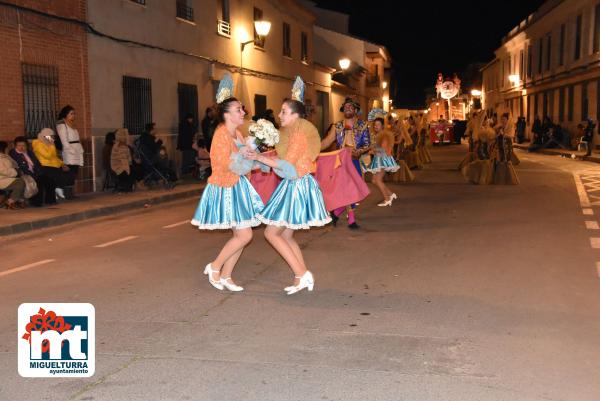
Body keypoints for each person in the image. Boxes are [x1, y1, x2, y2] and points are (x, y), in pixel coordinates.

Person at [250, 76, 331, 295]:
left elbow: (288, 166)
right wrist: (258, 156)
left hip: (297, 186)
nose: (279, 114)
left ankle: (302, 273)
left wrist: (258, 157)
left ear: (295, 115)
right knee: (285, 235)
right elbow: (282, 160)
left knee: (271, 233)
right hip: (296, 184)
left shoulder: (299, 134)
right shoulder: (293, 132)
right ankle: (301, 275)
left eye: (284, 111)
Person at [191, 73, 264, 292]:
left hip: (239, 187)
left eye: (242, 109)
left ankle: (226, 276)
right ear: (226, 114)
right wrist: (245, 160)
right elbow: (222, 163)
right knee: (245, 235)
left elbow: (245, 162)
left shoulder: (239, 134)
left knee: (241, 235)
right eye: (238, 109)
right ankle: (214, 267)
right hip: (226, 187)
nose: (243, 112)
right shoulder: (221, 134)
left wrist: (257, 159)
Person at [320, 97, 371, 229]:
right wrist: (313, 148)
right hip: (341, 163)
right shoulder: (337, 126)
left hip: (354, 161)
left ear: (355, 110)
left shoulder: (363, 125)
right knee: (348, 189)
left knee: (355, 190)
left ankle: (336, 213)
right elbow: (326, 142)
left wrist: (358, 152)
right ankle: (351, 220)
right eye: (346, 107)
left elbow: (367, 144)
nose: (348, 109)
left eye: (350, 107)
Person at [363, 113, 399, 206]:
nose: (376, 126)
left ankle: (387, 199)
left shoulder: (384, 136)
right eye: (375, 125)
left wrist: (372, 151)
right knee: (374, 180)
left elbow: (383, 151)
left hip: (383, 160)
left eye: (378, 125)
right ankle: (390, 194)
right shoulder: (378, 135)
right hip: (379, 159)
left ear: (382, 126)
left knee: (377, 180)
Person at [9, 136, 55, 206]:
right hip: (25, 174)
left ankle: (50, 200)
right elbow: (20, 166)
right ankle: (36, 203)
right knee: (38, 181)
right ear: (15, 145)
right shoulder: (13, 154)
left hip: (36, 172)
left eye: (23, 145)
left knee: (50, 180)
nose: (21, 147)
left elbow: (37, 163)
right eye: (19, 145)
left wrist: (41, 172)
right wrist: (34, 175)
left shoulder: (30, 152)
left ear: (26, 146)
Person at [32, 128, 71, 200]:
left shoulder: (49, 143)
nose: (52, 138)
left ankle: (57, 188)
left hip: (52, 165)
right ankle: (56, 189)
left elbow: (54, 157)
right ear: (45, 136)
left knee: (68, 173)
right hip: (44, 165)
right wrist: (52, 146)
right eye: (50, 136)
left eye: (53, 136)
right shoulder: (38, 144)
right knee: (56, 174)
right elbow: (47, 156)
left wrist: (62, 164)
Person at [56, 105, 84, 199]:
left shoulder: (72, 125)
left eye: (74, 113)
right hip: (69, 151)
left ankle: (70, 192)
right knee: (69, 172)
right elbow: (64, 140)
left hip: (76, 149)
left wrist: (80, 149)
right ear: (66, 114)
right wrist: (70, 150)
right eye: (71, 114)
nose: (73, 116)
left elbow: (77, 138)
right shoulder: (62, 125)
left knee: (74, 172)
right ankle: (66, 193)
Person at [0, 141, 26, 209]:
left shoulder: (6, 156)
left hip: (8, 178)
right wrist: (16, 172)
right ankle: (10, 202)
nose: (8, 149)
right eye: (7, 148)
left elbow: (15, 164)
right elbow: (3, 171)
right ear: (4, 149)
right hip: (2, 179)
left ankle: (19, 201)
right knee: (20, 182)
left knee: (22, 181)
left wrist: (18, 169)